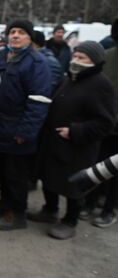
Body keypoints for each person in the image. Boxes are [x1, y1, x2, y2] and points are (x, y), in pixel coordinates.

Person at [30, 41, 115, 239]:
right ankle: (50, 210)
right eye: (75, 56)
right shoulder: (71, 77)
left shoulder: (101, 85)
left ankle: (70, 220)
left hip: (78, 147)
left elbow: (105, 123)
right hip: (55, 142)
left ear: (95, 61)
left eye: (82, 58)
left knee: (74, 186)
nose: (76, 60)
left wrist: (75, 131)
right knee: (49, 177)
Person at [0, 19, 52, 231]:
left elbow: (39, 101)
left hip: (18, 131)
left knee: (17, 175)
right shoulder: (3, 56)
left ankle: (17, 213)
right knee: (1, 170)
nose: (15, 35)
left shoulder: (37, 63)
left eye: (21, 32)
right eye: (12, 31)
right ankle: (4, 202)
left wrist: (26, 132)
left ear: (29, 37)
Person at [81, 19, 118, 228]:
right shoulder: (109, 56)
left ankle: (109, 208)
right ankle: (90, 202)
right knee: (98, 167)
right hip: (104, 126)